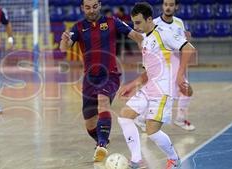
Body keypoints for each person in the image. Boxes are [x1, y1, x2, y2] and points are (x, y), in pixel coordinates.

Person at [59, 0, 143, 162]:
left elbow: (136, 36)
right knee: (90, 123)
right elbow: (65, 48)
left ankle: (102, 144)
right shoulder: (78, 27)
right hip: (89, 78)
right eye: (88, 7)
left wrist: (145, 42)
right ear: (82, 8)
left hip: (110, 75)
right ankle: (100, 140)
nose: (91, 10)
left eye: (94, 6)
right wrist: (63, 39)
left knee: (103, 101)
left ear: (99, 5)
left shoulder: (113, 22)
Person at [117, 2, 196, 169]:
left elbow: (188, 49)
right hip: (149, 88)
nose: (135, 26)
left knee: (151, 131)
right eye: (133, 23)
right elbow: (150, 72)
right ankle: (136, 160)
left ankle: (174, 159)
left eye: (138, 22)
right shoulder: (146, 40)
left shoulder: (164, 33)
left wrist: (180, 74)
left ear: (149, 19)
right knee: (124, 116)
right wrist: (132, 84)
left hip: (163, 90)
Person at [134, 0, 195, 131]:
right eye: (165, 4)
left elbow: (183, 42)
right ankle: (141, 119)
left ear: (176, 6)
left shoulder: (179, 23)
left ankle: (180, 118)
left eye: (171, 5)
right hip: (160, 64)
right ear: (162, 6)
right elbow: (143, 41)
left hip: (175, 62)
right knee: (156, 93)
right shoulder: (154, 22)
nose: (168, 7)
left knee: (185, 91)